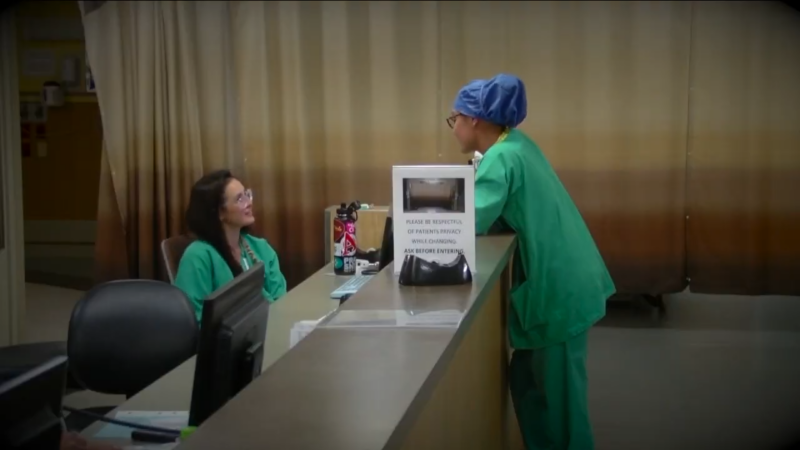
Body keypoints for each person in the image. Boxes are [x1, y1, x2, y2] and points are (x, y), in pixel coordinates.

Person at [448, 74, 616, 450]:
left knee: (560, 408)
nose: (453, 128)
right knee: (527, 382)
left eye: (454, 118)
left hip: (560, 287)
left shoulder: (501, 158)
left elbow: (467, 221)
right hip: (566, 277)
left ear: (474, 119)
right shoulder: (516, 145)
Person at [174, 170, 288, 321]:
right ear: (219, 212)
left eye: (247, 194)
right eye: (240, 199)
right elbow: (192, 321)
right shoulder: (197, 257)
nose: (249, 202)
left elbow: (281, 302)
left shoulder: (261, 248)